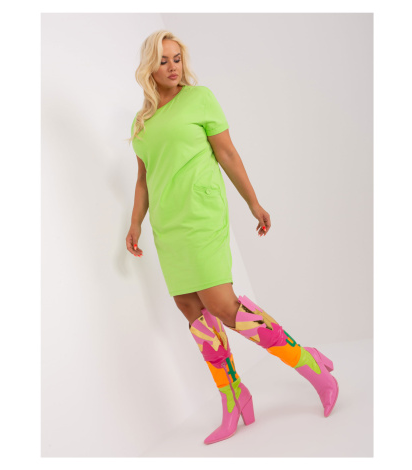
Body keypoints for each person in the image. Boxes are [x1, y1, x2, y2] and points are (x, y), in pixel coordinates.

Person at [126, 30, 339, 445]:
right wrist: (135, 224)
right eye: (163, 60)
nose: (173, 67)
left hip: (201, 216)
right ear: (149, 66)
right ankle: (233, 396)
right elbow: (143, 178)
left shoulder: (199, 98)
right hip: (167, 227)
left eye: (177, 58)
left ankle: (309, 364)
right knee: (192, 310)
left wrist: (253, 203)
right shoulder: (141, 121)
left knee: (223, 306)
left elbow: (227, 153)